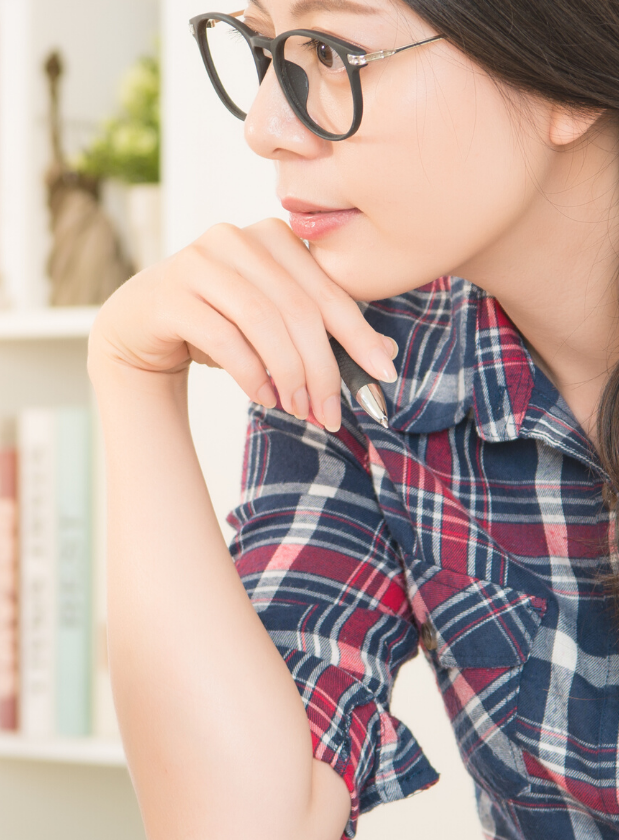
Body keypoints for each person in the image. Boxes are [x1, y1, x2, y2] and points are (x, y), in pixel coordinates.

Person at [86, 0, 619, 837]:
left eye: (333, 50)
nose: (266, 125)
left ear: (569, 77)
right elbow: (249, 823)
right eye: (264, 48)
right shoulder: (369, 351)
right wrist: (128, 371)